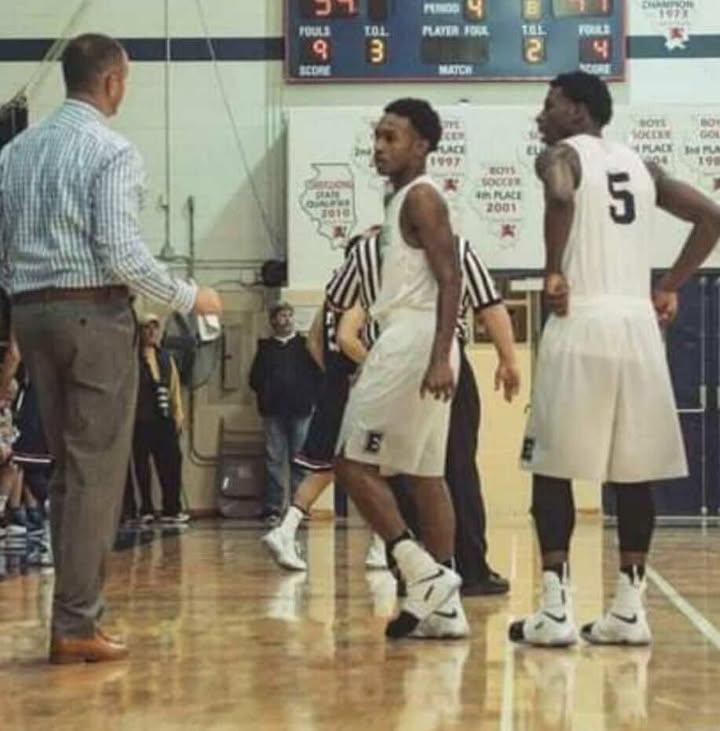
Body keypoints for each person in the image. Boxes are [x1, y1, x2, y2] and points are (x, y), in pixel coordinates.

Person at [0, 33, 222, 664]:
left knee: (66, 469)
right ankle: (76, 622)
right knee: (96, 471)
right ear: (112, 81)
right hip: (92, 314)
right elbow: (123, 254)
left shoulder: (15, 151)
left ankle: (70, 616)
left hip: (31, 312)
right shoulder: (111, 150)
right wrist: (191, 296)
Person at [510, 71, 720, 647]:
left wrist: (554, 269)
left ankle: (555, 609)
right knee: (633, 471)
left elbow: (560, 193)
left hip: (582, 321)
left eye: (550, 104)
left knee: (551, 466)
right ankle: (629, 610)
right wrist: (670, 285)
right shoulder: (642, 166)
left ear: (578, 112)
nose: (541, 115)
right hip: (637, 328)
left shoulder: (560, 154)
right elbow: (712, 218)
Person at [334, 98, 466, 640]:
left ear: (423, 145)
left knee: (350, 464)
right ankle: (445, 607)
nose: (380, 147)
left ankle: (421, 571)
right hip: (420, 339)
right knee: (425, 475)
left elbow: (452, 278)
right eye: (377, 137)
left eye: (392, 138)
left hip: (413, 339)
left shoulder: (422, 198)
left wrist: (437, 355)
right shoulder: (401, 199)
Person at [327, 230, 520, 593]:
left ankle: (413, 568)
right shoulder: (456, 246)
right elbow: (490, 305)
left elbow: (337, 301)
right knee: (451, 469)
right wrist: (508, 358)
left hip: (395, 358)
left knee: (393, 469)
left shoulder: (370, 251)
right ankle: (463, 570)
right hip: (447, 356)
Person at [249, 302, 322, 525]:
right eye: (282, 315)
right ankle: (273, 508)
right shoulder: (266, 348)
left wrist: (309, 398)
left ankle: (299, 508)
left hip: (301, 410)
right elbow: (254, 379)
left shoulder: (304, 346)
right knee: (274, 460)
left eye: (290, 315)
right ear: (273, 320)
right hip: (273, 411)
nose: (287, 319)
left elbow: (317, 375)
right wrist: (267, 393)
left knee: (299, 460)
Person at [126, 312, 188, 525]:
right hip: (140, 419)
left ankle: (172, 508)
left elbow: (174, 388)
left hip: (163, 418)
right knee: (141, 466)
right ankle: (146, 509)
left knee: (172, 463)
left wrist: (178, 415)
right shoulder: (132, 359)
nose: (152, 332)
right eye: (147, 328)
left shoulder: (165, 358)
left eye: (155, 328)